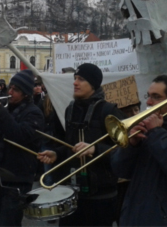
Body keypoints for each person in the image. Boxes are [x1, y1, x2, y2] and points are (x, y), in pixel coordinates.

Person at [110, 75, 167, 226]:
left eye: (156, 97)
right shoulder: (145, 126)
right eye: (149, 96)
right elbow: (119, 170)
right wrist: (131, 145)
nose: (148, 102)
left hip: (166, 219)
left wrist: (156, 133)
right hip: (134, 215)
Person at [38, 63, 125, 227]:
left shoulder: (108, 111)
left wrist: (95, 149)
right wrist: (57, 154)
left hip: (101, 196)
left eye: (81, 79)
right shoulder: (70, 109)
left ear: (93, 84)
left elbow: (124, 151)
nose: (75, 83)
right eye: (75, 78)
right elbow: (71, 146)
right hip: (72, 194)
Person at [0, 70, 44, 227]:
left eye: (16, 89)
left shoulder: (34, 113)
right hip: (0, 175)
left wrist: (0, 111)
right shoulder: (6, 110)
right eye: (10, 88)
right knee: (3, 221)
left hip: (18, 178)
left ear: (26, 94)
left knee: (9, 223)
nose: (10, 92)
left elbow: (19, 135)